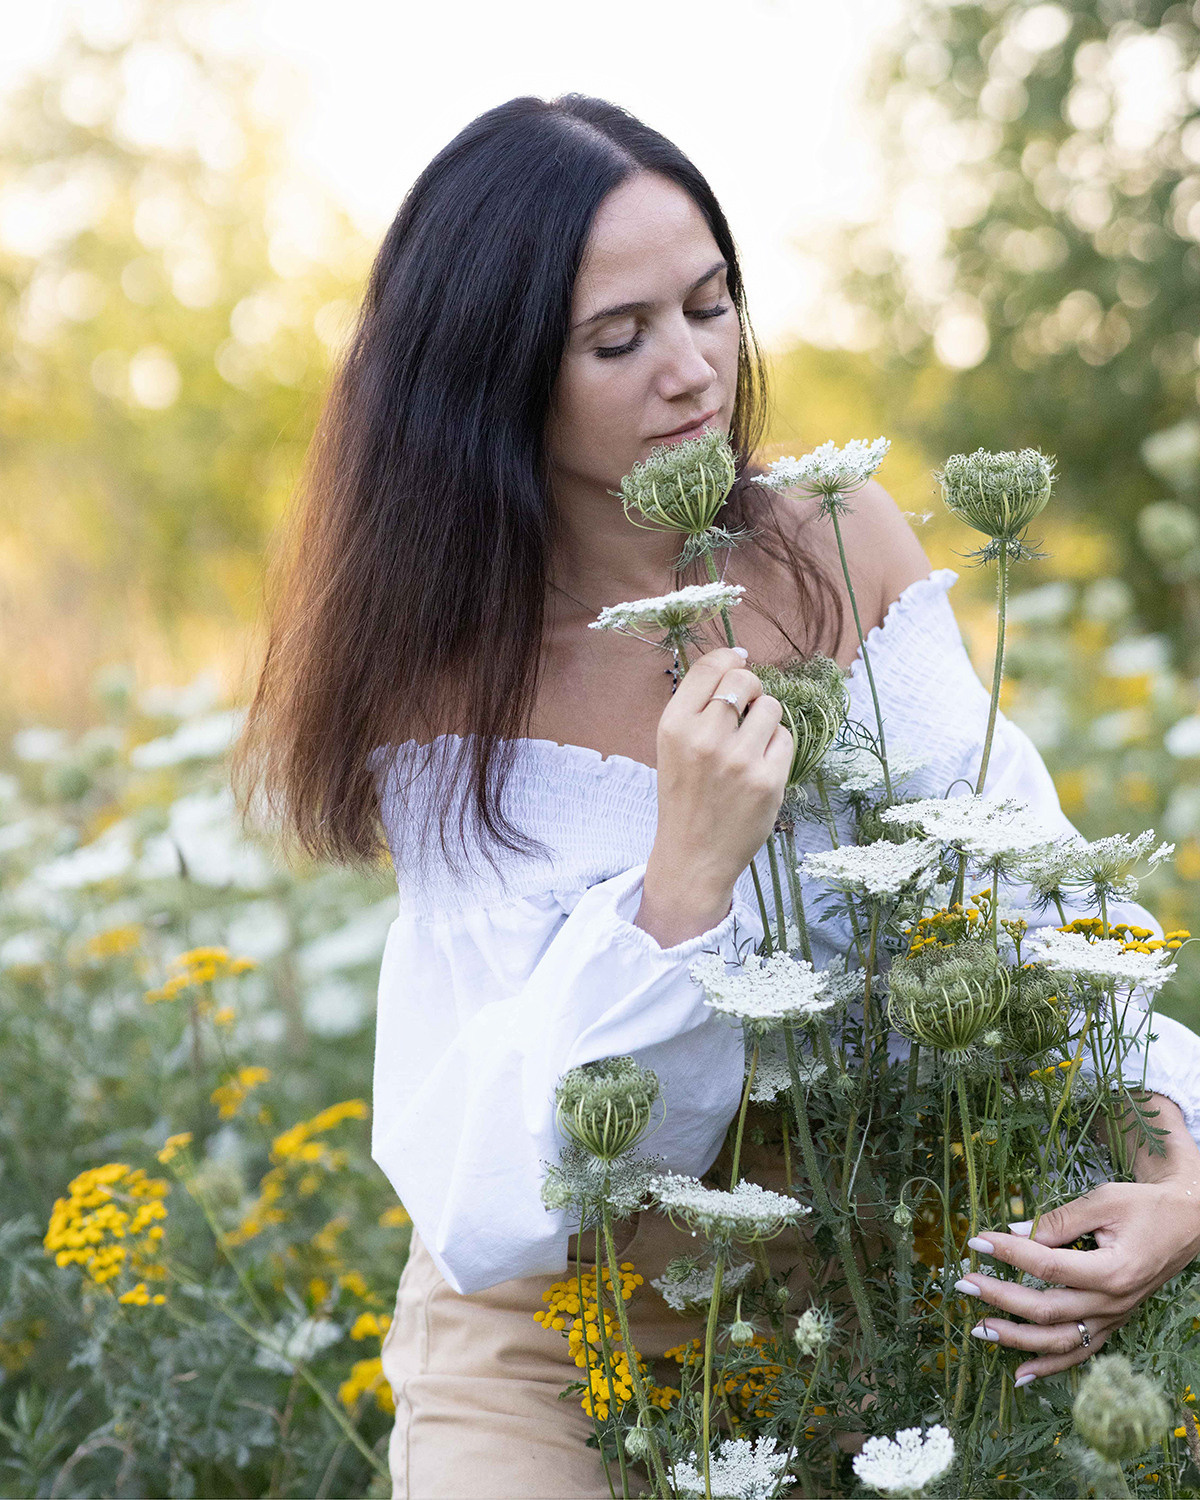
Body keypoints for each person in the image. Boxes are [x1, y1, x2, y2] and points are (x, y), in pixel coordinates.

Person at [232, 94, 1200, 1499]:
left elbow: (1038, 894)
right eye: (618, 339)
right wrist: (683, 878)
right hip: (563, 1333)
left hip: (867, 1315)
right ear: (496, 374)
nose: (691, 369)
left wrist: (1178, 1173)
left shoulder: (833, 534)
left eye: (710, 304)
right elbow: (505, 1178)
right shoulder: (444, 674)